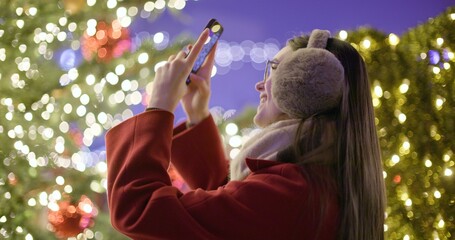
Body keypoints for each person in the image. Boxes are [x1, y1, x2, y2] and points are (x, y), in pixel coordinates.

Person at [106, 28, 386, 240]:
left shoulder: (293, 192)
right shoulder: (316, 180)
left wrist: (159, 105)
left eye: (275, 71)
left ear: (308, 86)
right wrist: (197, 113)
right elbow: (232, 212)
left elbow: (139, 208)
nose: (260, 85)